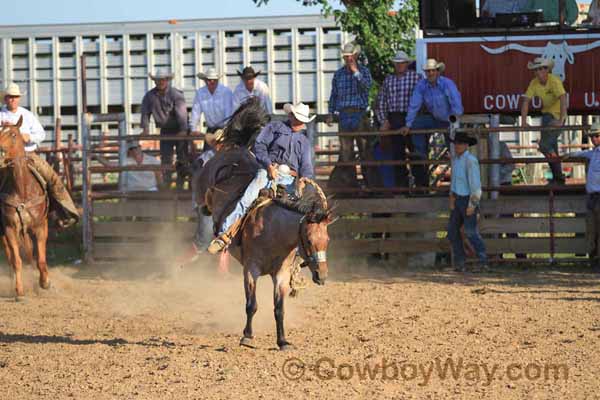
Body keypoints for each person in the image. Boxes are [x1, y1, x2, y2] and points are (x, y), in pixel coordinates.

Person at [207, 102, 315, 254]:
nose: (299, 122)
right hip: (268, 171)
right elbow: (260, 146)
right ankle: (224, 235)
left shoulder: (304, 142)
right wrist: (269, 165)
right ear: (290, 115)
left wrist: (305, 179)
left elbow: (306, 166)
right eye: (297, 118)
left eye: (302, 120)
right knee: (247, 198)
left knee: (299, 213)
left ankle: (297, 254)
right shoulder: (274, 128)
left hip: (290, 178)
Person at [0, 83, 79, 227]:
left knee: (52, 178)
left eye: (15, 97)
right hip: (4, 158)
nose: (13, 99)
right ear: (5, 99)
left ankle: (64, 212)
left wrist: (28, 137)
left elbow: (41, 134)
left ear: (19, 99)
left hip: (28, 155)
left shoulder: (27, 115)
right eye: (10, 97)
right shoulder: (0, 115)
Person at [400, 58, 464, 188]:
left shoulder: (447, 84)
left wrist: (454, 122)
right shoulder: (422, 85)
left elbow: (456, 104)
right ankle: (420, 152)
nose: (430, 73)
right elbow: (414, 104)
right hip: (435, 119)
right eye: (428, 71)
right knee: (416, 123)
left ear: (438, 71)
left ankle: (459, 182)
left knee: (455, 148)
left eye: (432, 71)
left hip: (449, 120)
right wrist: (408, 124)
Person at [326, 42, 373, 187]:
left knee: (365, 151)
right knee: (346, 153)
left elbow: (367, 87)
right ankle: (350, 185)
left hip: (360, 113)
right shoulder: (338, 74)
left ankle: (370, 184)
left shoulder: (364, 71)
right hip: (344, 115)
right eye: (346, 57)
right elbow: (334, 95)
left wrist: (356, 72)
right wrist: (331, 112)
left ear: (355, 56)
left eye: (350, 57)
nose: (348, 60)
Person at [377, 50, 421, 188]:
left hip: (411, 117)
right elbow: (381, 102)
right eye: (397, 63)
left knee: (415, 152)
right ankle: (402, 187)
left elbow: (421, 99)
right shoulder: (388, 80)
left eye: (402, 63)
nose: (400, 65)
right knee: (397, 154)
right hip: (394, 118)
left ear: (407, 64)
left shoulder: (416, 78)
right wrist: (384, 120)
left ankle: (421, 187)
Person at [520, 57, 567, 184]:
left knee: (544, 145)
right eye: (536, 69)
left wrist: (561, 120)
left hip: (557, 116)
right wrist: (523, 121)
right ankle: (558, 178)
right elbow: (525, 101)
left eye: (541, 68)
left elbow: (563, 98)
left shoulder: (554, 81)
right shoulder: (533, 83)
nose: (538, 71)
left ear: (547, 70)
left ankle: (559, 176)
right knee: (550, 148)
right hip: (547, 116)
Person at [140, 69, 189, 189]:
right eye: (158, 80)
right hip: (165, 130)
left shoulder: (175, 94)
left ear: (167, 80)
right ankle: (167, 185)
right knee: (166, 158)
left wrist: (183, 129)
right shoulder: (150, 96)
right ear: (155, 81)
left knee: (182, 157)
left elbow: (182, 113)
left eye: (163, 79)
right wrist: (145, 128)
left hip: (179, 128)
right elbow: (145, 112)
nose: (160, 82)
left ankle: (180, 186)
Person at [447, 131, 487, 272]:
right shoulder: (458, 159)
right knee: (454, 231)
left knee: (470, 232)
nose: (458, 145)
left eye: (461, 143)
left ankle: (481, 261)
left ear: (466, 145)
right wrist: (452, 196)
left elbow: (475, 185)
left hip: (466, 199)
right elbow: (456, 180)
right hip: (459, 198)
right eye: (457, 143)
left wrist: (473, 203)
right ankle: (462, 262)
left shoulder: (470, 160)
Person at [564, 123, 600, 271]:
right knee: (592, 229)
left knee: (596, 229)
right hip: (593, 196)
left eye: (597, 136)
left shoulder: (594, 153)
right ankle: (594, 259)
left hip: (597, 195)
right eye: (593, 136)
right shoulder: (594, 153)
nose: (594, 139)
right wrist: (567, 155)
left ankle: (596, 260)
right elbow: (579, 154)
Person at [190, 67, 234, 145]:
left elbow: (229, 112)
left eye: (214, 80)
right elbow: (195, 112)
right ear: (205, 81)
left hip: (224, 129)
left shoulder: (226, 92)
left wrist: (226, 129)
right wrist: (193, 129)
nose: (212, 81)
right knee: (207, 155)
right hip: (210, 130)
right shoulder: (200, 93)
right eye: (209, 80)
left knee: (224, 154)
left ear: (218, 80)